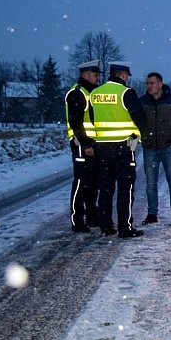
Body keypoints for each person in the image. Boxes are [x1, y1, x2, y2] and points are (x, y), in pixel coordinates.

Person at [89, 61, 147, 238]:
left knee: (105, 189)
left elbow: (92, 119)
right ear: (122, 74)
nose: (127, 78)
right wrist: (138, 137)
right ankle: (125, 228)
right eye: (127, 75)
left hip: (102, 149)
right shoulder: (126, 93)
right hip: (123, 148)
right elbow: (141, 118)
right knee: (125, 190)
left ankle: (106, 226)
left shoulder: (95, 93)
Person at [139, 72, 171, 226]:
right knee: (150, 183)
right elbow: (136, 122)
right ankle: (152, 214)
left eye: (152, 83)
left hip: (168, 148)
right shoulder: (142, 102)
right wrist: (143, 138)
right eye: (147, 83)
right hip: (150, 149)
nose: (149, 86)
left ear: (160, 84)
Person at [65, 60, 101, 232]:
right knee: (81, 183)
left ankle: (92, 217)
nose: (98, 77)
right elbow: (75, 122)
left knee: (92, 183)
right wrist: (86, 143)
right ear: (85, 74)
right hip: (81, 144)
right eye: (95, 74)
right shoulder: (77, 93)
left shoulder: (90, 92)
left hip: (91, 144)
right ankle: (77, 220)